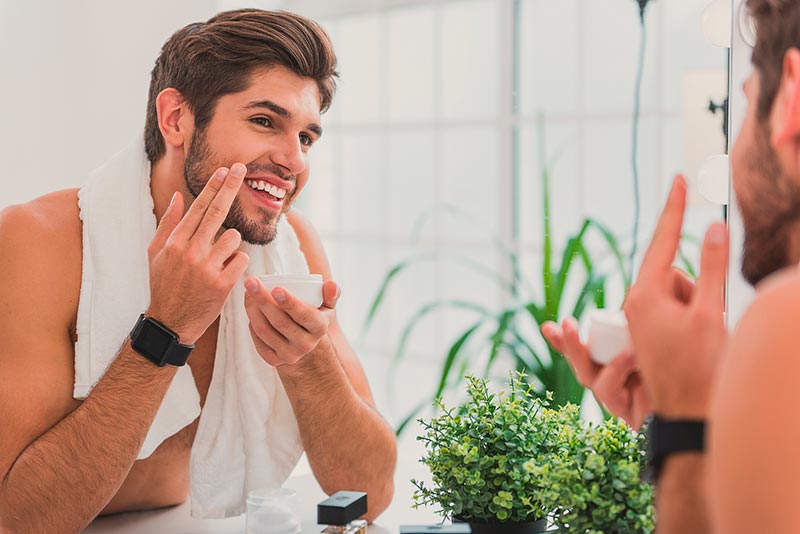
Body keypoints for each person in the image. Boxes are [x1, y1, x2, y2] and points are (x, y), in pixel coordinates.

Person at [0, 10, 397, 533]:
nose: (295, 161)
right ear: (176, 119)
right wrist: (165, 329)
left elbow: (371, 493)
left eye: (306, 137)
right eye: (264, 121)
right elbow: (20, 519)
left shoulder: (294, 249)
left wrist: (308, 360)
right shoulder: (38, 243)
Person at [543, 0, 800, 532]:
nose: (734, 148)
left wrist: (685, 419)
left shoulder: (785, 319)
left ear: (790, 100)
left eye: (742, 106)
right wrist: (679, 410)